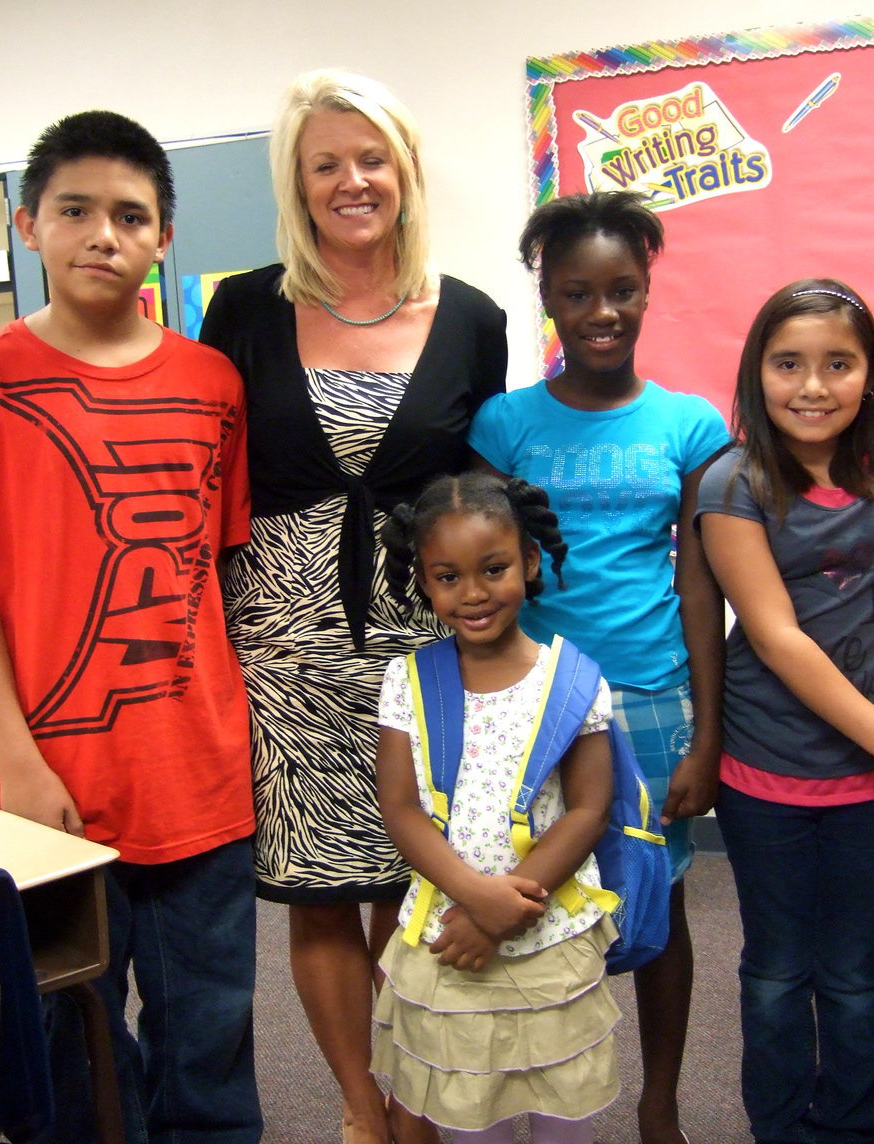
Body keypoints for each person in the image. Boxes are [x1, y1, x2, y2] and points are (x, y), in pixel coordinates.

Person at [199, 69, 507, 1144]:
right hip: (282, 648)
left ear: (406, 170)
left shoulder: (472, 316)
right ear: (297, 181)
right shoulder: (243, 305)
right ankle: (361, 1104)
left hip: (422, 642)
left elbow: (480, 502)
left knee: (413, 878)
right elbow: (207, 467)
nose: (351, 180)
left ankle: (414, 1084)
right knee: (321, 890)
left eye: (371, 157)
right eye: (325, 162)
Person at [0, 110, 261, 1143]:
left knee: (211, 1040)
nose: (104, 233)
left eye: (131, 216)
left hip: (201, 779)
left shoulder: (211, 382)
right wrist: (17, 763)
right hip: (39, 788)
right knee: (67, 1051)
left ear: (163, 239)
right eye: (76, 210)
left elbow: (211, 576)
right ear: (28, 224)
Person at [467, 192, 731, 1144]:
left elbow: (701, 586)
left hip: (652, 697)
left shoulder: (691, 426)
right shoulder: (504, 425)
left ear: (649, 290)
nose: (603, 312)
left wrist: (709, 729)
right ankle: (548, 1106)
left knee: (658, 908)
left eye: (623, 290)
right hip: (537, 704)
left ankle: (659, 1106)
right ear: (549, 300)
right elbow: (488, 581)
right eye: (579, 293)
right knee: (539, 900)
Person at [373, 471, 620, 1144]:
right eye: (448, 576)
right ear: (423, 581)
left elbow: (588, 809)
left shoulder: (572, 679)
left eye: (493, 569)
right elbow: (399, 807)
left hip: (545, 938)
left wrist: (504, 911)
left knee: (563, 1109)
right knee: (469, 1116)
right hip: (451, 938)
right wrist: (475, 901)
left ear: (530, 561)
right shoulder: (408, 679)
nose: (473, 593)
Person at [696, 279, 874, 1144]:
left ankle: (847, 1123)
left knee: (856, 975)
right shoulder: (734, 483)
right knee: (775, 972)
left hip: (865, 790)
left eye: (839, 364)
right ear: (755, 372)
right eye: (789, 364)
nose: (813, 386)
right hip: (767, 780)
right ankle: (780, 1126)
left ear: (868, 375)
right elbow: (776, 638)